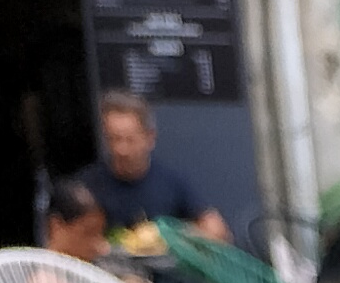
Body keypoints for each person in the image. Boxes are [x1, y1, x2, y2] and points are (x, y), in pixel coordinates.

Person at [68, 90, 229, 245]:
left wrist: (176, 236)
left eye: (130, 140)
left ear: (150, 138)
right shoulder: (86, 186)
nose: (121, 149)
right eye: (114, 139)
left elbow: (217, 231)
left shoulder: (170, 183)